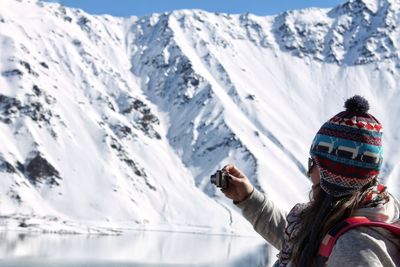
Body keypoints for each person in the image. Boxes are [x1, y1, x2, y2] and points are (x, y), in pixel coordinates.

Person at [220, 95, 400, 267]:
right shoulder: (361, 214)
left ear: (330, 172)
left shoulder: (353, 247)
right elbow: (298, 241)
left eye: (313, 163)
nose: (310, 173)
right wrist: (248, 198)